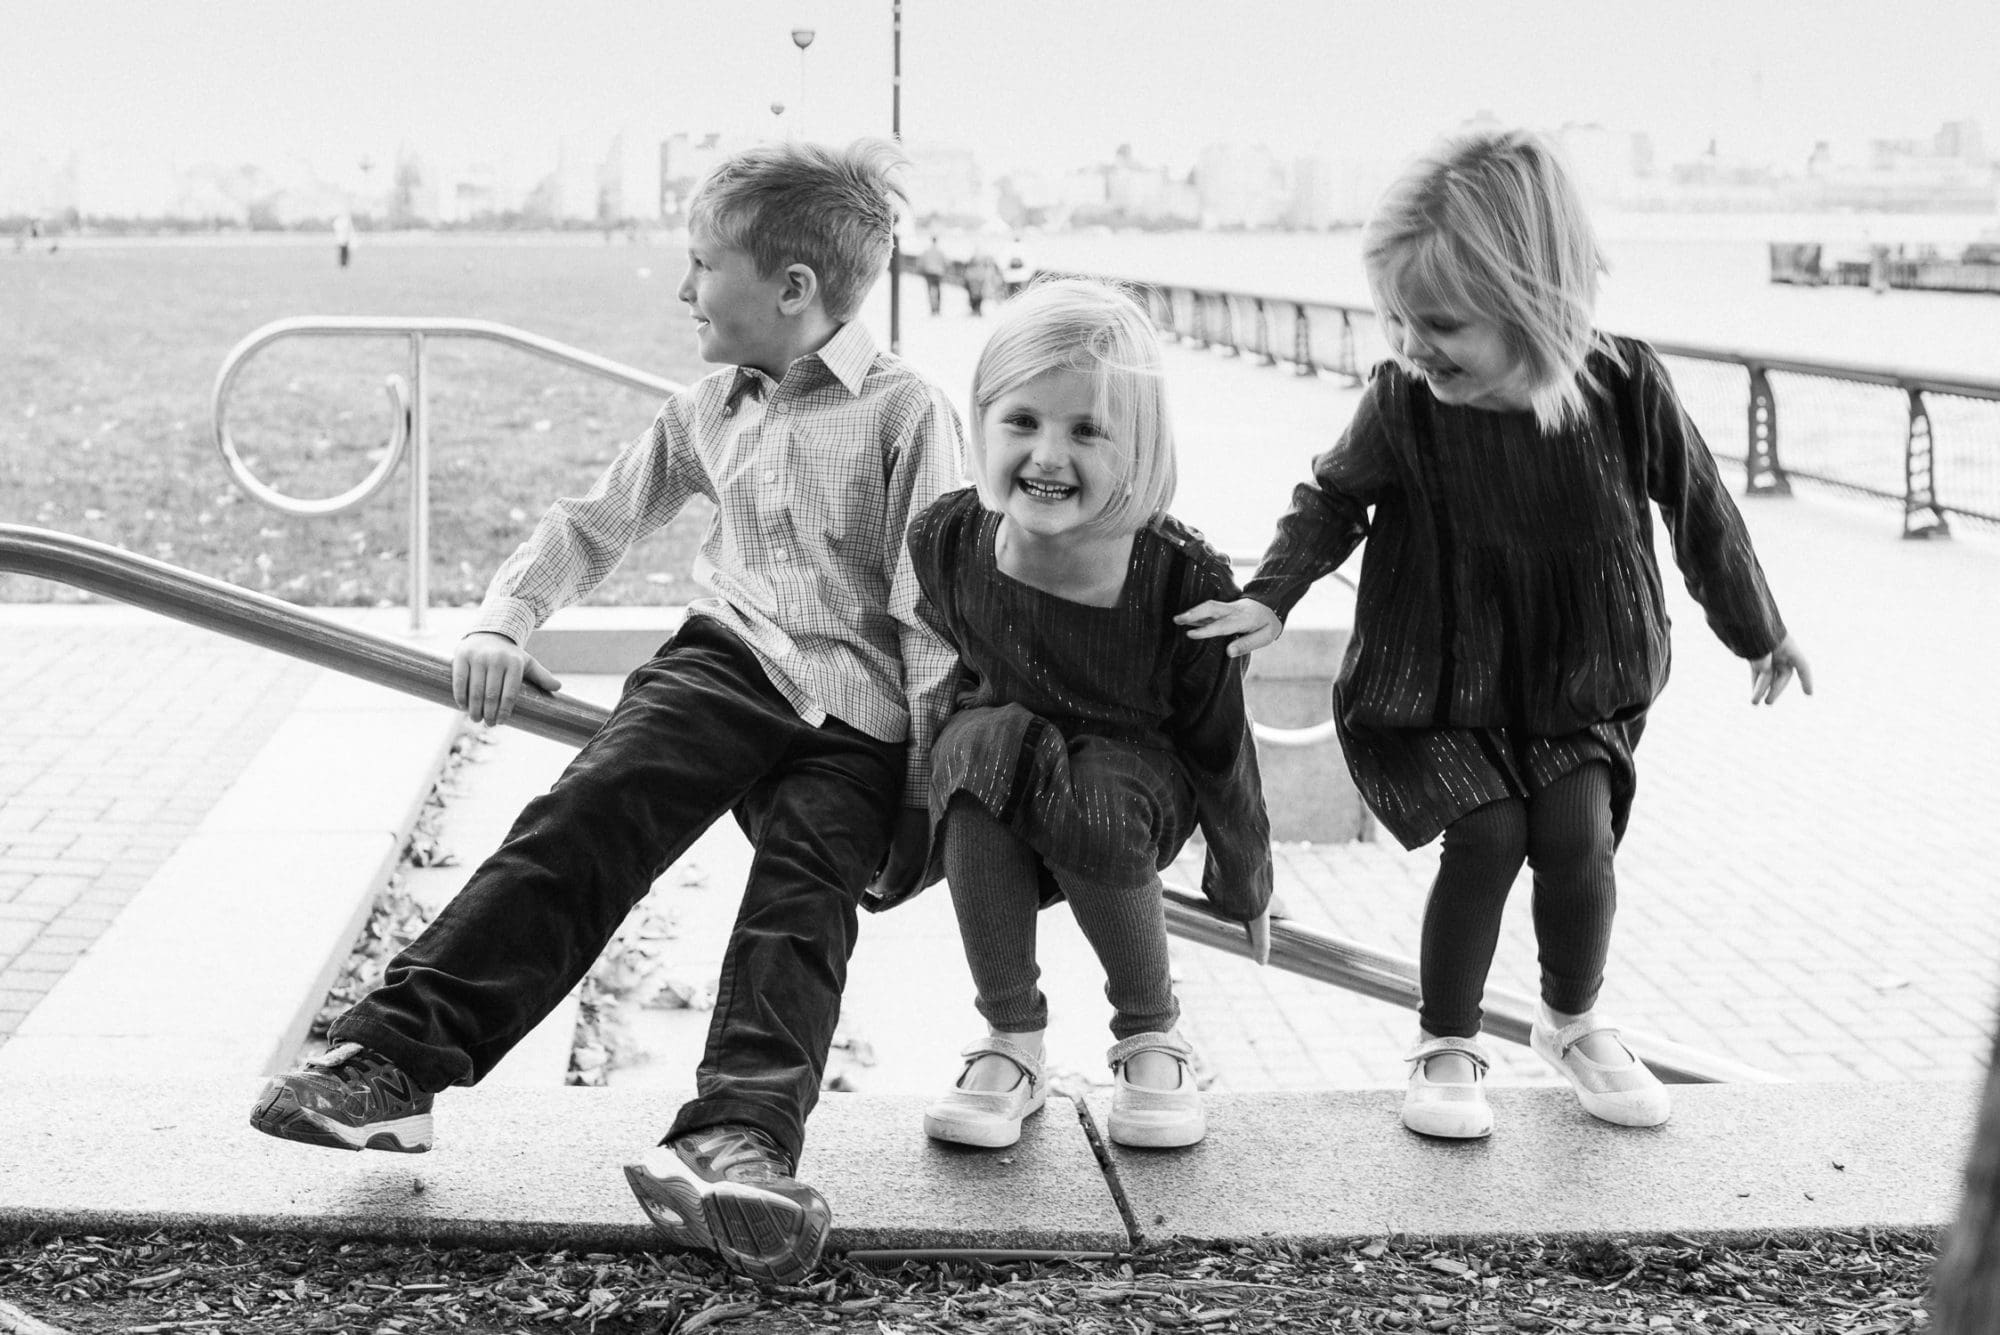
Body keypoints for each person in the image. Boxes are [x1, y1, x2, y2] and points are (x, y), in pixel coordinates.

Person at [249, 139, 966, 1285]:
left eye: (700, 267)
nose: (683, 291)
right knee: (586, 816)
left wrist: (931, 783)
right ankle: (391, 1068)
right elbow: (594, 521)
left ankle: (737, 1143)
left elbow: (932, 607)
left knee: (803, 900)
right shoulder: (703, 410)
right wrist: (505, 617)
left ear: (793, 289)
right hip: (727, 662)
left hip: (860, 719)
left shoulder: (906, 414)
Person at [1179, 129, 1813, 1141]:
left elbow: (1700, 510)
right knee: (1484, 836)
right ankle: (1443, 1039)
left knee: (1574, 837)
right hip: (1438, 678)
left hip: (1576, 677)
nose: (1409, 344)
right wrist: (1271, 596)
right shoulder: (1402, 405)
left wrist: (1758, 632)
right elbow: (1330, 500)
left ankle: (1570, 1022)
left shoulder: (1622, 389)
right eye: (1392, 317)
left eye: (1437, 322)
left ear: (1532, 300)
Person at [907, 279, 1273, 1153]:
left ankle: (1151, 1031)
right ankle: (1012, 1036)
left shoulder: (1179, 577)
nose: (1048, 454)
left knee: (1097, 790)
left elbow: (1220, 740)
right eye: (1023, 421)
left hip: (1135, 770)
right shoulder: (949, 540)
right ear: (982, 421)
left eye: (1087, 430)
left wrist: (1247, 876)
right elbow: (938, 674)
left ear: (1138, 448)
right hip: (1004, 760)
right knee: (973, 749)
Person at [962, 247, 1003, 317]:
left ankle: (976, 310)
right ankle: (976, 310)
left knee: (975, 296)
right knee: (976, 296)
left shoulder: (972, 266)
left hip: (974, 281)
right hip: (976, 281)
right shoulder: (980, 268)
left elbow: (967, 274)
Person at [917, 235, 949, 315]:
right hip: (938, 273)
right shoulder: (940, 251)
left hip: (929, 273)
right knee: (938, 291)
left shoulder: (927, 251)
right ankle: (938, 309)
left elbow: (921, 262)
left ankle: (932, 309)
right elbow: (947, 262)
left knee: (930, 290)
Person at [1002, 233, 1034, 298]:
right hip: (1018, 276)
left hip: (1016, 276)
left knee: (1012, 297)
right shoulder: (1024, 247)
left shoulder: (1008, 247)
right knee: (1021, 296)